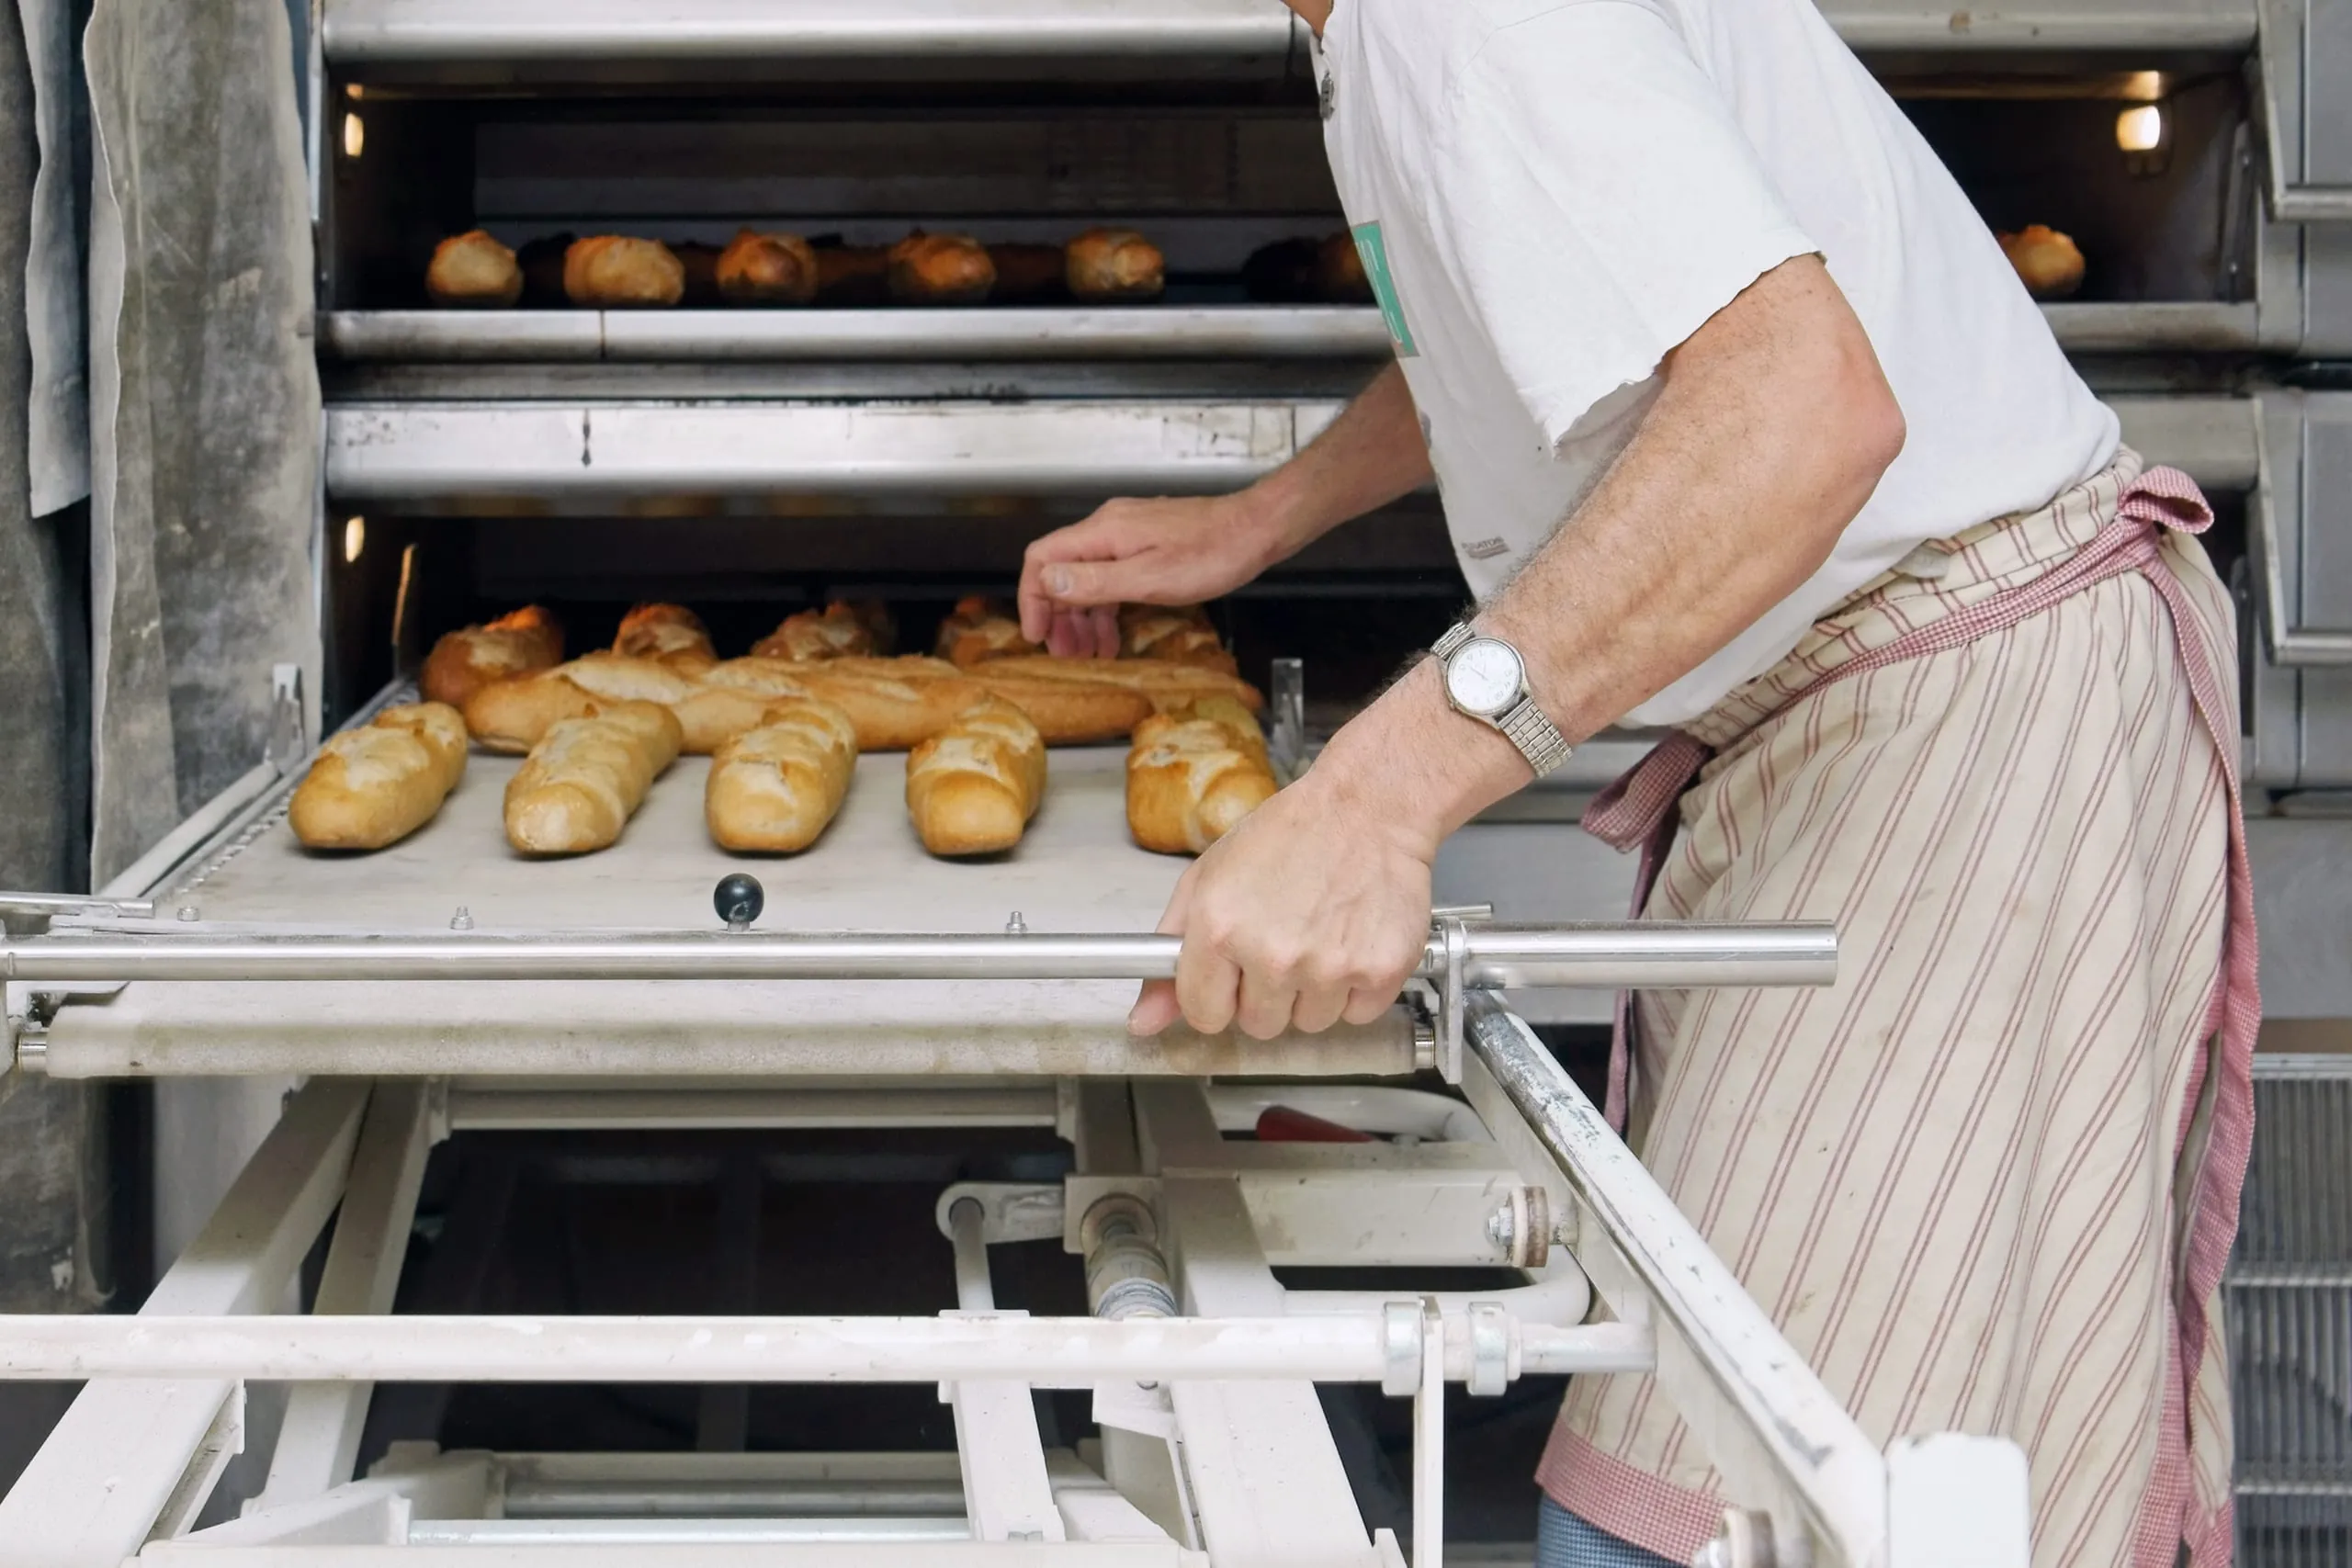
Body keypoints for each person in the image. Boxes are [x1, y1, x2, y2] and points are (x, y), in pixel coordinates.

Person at [1015, 1, 2256, 1564]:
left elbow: (1802, 410)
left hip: (1963, 730)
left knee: (1728, 1502)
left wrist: (1371, 799)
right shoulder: (1383, 31)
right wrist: (1262, 520)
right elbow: (1566, 315)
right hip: (1881, 718)